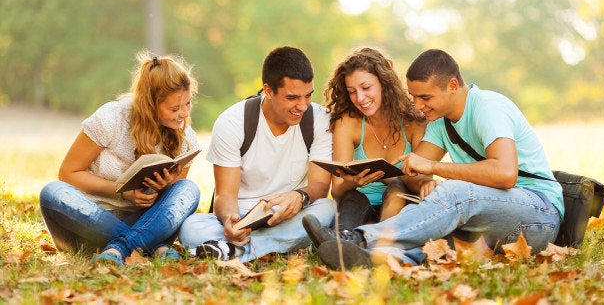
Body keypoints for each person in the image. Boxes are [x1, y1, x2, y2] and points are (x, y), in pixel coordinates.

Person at [303, 48, 564, 269]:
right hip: (490, 220)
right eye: (414, 96)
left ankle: (356, 239)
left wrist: (434, 168)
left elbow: (506, 174)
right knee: (432, 228)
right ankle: (374, 258)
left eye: (425, 97)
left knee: (455, 192)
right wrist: (421, 181)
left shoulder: (488, 107)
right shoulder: (439, 123)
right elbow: (411, 169)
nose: (417, 106)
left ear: (452, 86)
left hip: (537, 215)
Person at [39, 51, 201, 266]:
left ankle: (119, 248)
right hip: (88, 221)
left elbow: (171, 203)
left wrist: (163, 187)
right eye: (174, 108)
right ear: (150, 104)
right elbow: (68, 173)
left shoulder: (185, 135)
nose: (183, 114)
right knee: (52, 192)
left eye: (187, 104)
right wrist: (122, 191)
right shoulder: (111, 118)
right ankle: (149, 247)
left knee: (188, 189)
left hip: (145, 220)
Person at [178, 46, 336, 261]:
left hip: (291, 214)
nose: (303, 105)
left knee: (327, 208)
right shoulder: (232, 122)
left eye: (308, 95)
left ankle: (232, 250)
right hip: (243, 215)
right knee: (190, 228)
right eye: (292, 98)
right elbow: (225, 196)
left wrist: (300, 196)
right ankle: (270, 243)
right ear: (269, 91)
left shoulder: (320, 119)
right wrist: (230, 222)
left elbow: (319, 186)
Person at [322, 47, 428, 230]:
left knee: (396, 188)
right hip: (360, 206)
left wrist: (387, 176)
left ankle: (380, 241)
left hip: (402, 207)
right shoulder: (347, 122)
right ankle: (342, 241)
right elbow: (337, 192)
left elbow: (424, 183)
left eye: (366, 87)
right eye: (352, 91)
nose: (360, 98)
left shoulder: (414, 122)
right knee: (352, 198)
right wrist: (350, 183)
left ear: (384, 84)